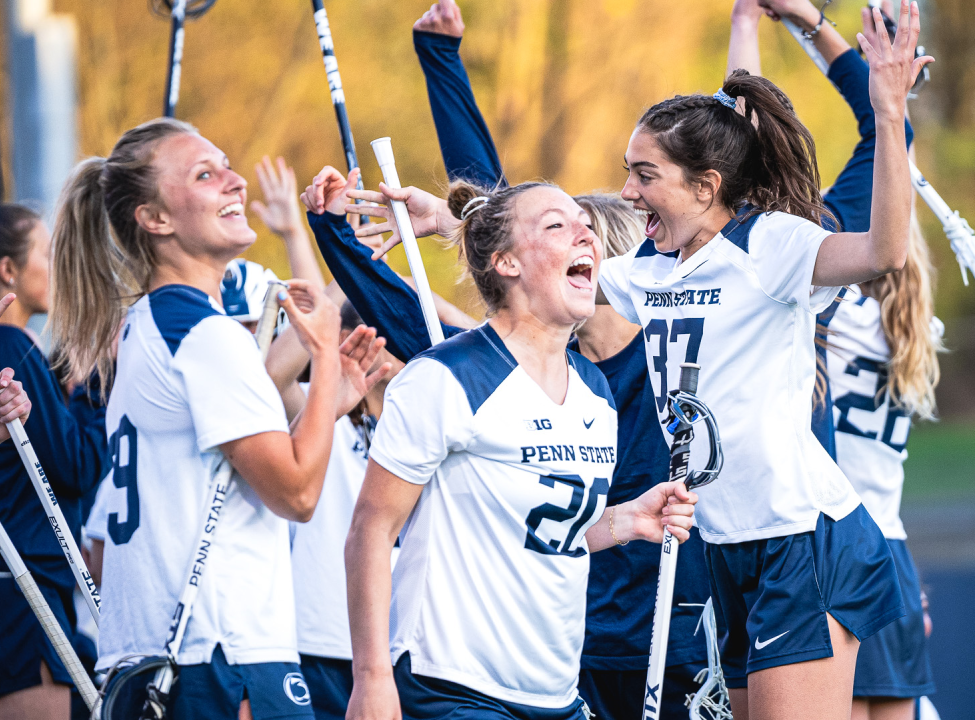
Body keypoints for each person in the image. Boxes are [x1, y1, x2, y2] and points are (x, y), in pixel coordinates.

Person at [595, 3, 934, 719]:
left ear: (706, 186)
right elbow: (554, 273)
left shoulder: (769, 245)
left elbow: (885, 252)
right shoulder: (648, 271)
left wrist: (888, 110)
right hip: (727, 544)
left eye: (643, 174)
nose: (628, 192)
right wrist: (463, 217)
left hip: (803, 538)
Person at [46, 117, 388, 720]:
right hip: (222, 657)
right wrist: (326, 358)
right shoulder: (203, 334)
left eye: (226, 164)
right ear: (155, 219)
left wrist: (328, 403)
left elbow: (222, 473)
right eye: (206, 174)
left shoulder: (147, 325)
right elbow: (299, 492)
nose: (234, 181)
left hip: (155, 658)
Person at [340, 179, 699, 720]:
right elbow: (371, 529)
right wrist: (372, 681)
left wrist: (624, 521)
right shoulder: (444, 377)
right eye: (558, 224)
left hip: (555, 694)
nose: (586, 233)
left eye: (585, 224)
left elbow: (549, 532)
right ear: (505, 263)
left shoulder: (594, 394)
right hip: (453, 684)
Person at [737, 2, 943, 718]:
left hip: (827, 544)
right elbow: (888, 131)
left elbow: (744, 153)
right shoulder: (914, 326)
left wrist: (755, 25)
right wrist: (811, 23)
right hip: (894, 550)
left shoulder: (810, 294)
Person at [0, 203, 107, 720]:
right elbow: (76, 463)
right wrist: (97, 386)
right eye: (47, 251)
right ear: (9, 269)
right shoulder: (11, 343)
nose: (58, 265)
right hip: (16, 587)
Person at [265, 297, 398, 720]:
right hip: (319, 638)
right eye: (386, 327)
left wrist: (422, 296)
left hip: (399, 649)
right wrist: (347, 260)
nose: (398, 342)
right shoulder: (325, 411)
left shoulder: (427, 422)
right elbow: (271, 376)